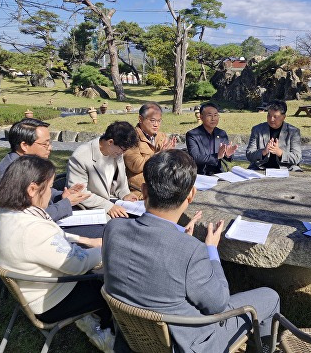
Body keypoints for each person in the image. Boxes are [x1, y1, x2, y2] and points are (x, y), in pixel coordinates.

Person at [103, 150, 280, 352]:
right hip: (188, 343)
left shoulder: (113, 229)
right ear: (192, 194)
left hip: (132, 335)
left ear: (143, 191)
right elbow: (219, 304)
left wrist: (179, 236)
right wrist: (211, 250)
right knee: (270, 297)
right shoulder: (191, 251)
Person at [0, 155, 114, 352]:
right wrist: (107, 249)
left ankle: (97, 323)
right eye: (48, 188)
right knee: (113, 284)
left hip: (33, 288)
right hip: (51, 301)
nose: (51, 194)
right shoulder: (31, 229)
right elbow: (78, 264)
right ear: (32, 189)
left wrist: (86, 240)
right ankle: (109, 334)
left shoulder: (7, 213)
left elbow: (50, 235)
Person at [0, 118, 89, 225]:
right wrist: (66, 204)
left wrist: (61, 196)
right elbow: (29, 218)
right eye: (45, 144)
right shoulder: (13, 173)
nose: (50, 147)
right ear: (24, 145)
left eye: (49, 142)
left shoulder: (25, 165)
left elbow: (40, 193)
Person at [67, 121, 138, 218]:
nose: (123, 153)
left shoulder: (117, 152)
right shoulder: (81, 156)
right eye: (123, 149)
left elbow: (119, 181)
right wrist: (108, 206)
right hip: (90, 208)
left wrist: (125, 194)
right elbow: (78, 193)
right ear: (110, 142)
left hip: (112, 201)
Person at [123, 102, 176, 199]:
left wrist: (171, 154)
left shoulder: (161, 136)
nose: (156, 125)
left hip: (163, 187)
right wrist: (159, 154)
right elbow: (136, 165)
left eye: (159, 121)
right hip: (141, 191)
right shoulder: (131, 137)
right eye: (152, 120)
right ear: (140, 119)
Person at [246, 100, 302, 170]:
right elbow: (249, 154)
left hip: (287, 169)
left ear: (283, 117)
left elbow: (297, 157)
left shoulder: (293, 132)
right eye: (269, 115)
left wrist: (280, 153)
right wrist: (263, 152)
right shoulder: (257, 130)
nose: (271, 119)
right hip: (260, 168)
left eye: (275, 116)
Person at [186, 102, 238, 175]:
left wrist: (228, 154)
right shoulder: (192, 135)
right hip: (199, 174)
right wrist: (217, 156)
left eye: (216, 115)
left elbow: (227, 157)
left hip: (218, 173)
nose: (213, 118)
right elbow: (195, 158)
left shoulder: (221, 133)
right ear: (201, 117)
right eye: (209, 115)